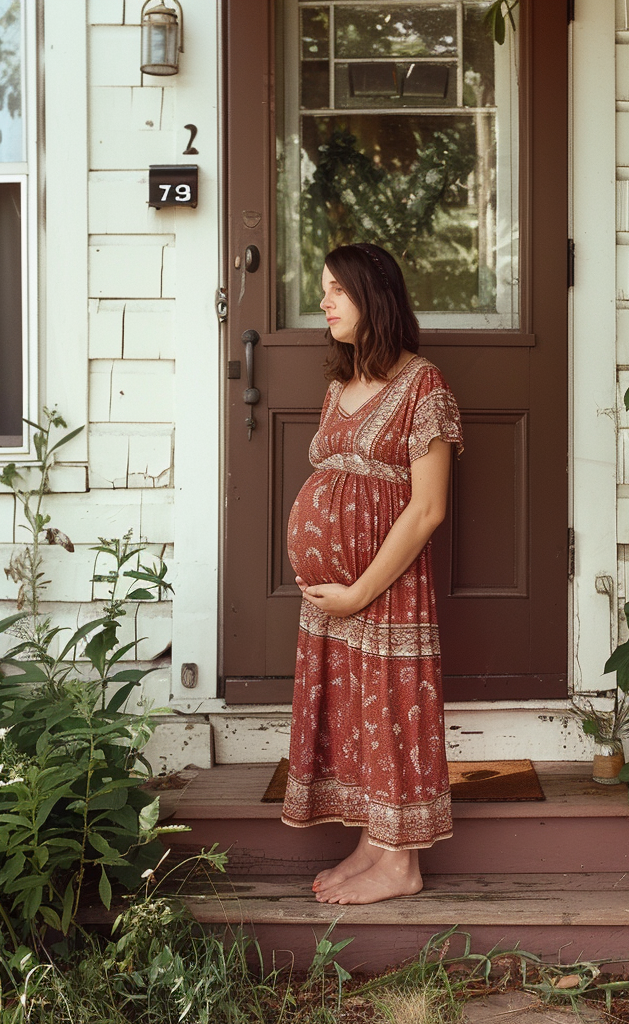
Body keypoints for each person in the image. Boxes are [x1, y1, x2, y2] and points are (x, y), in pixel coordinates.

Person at [282, 242, 463, 905]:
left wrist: (360, 589)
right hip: (334, 597)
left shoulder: (423, 385)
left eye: (337, 290)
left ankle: (401, 866)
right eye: (321, 288)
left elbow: (429, 507)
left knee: (391, 705)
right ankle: (371, 841)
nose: (323, 302)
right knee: (358, 710)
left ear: (374, 297)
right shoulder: (338, 389)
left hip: (384, 584)